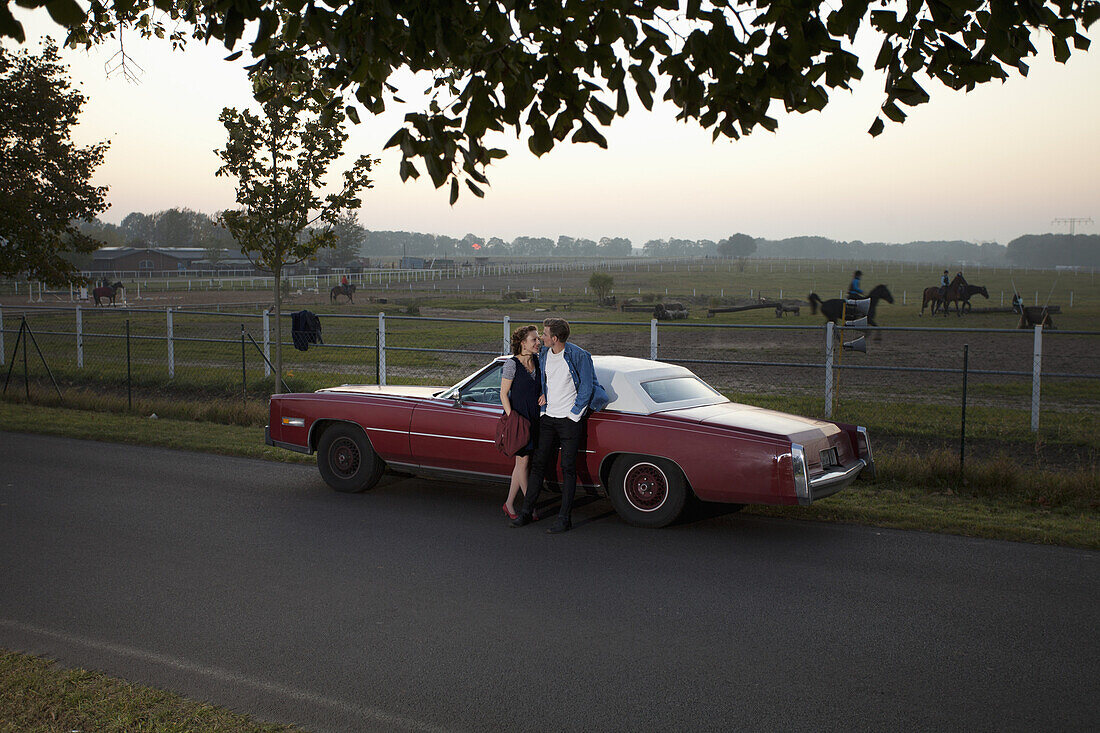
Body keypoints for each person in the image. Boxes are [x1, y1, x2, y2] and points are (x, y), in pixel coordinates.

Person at [511, 317, 609, 534]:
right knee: (538, 465)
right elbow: (540, 375)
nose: (541, 339)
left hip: (569, 421)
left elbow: (587, 387)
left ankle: (564, 519)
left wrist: (574, 415)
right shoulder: (544, 354)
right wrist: (544, 398)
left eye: (544, 335)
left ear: (554, 338)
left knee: (568, 469)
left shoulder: (579, 356)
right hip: (548, 418)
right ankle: (526, 512)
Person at [500, 324, 543, 520]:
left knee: (522, 463)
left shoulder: (538, 360)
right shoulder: (511, 364)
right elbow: (503, 394)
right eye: (534, 339)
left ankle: (509, 504)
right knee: (523, 461)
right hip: (519, 420)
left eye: (538, 339)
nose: (538, 342)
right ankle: (529, 505)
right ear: (523, 343)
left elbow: (540, 387)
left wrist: (544, 394)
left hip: (535, 418)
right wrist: (512, 418)